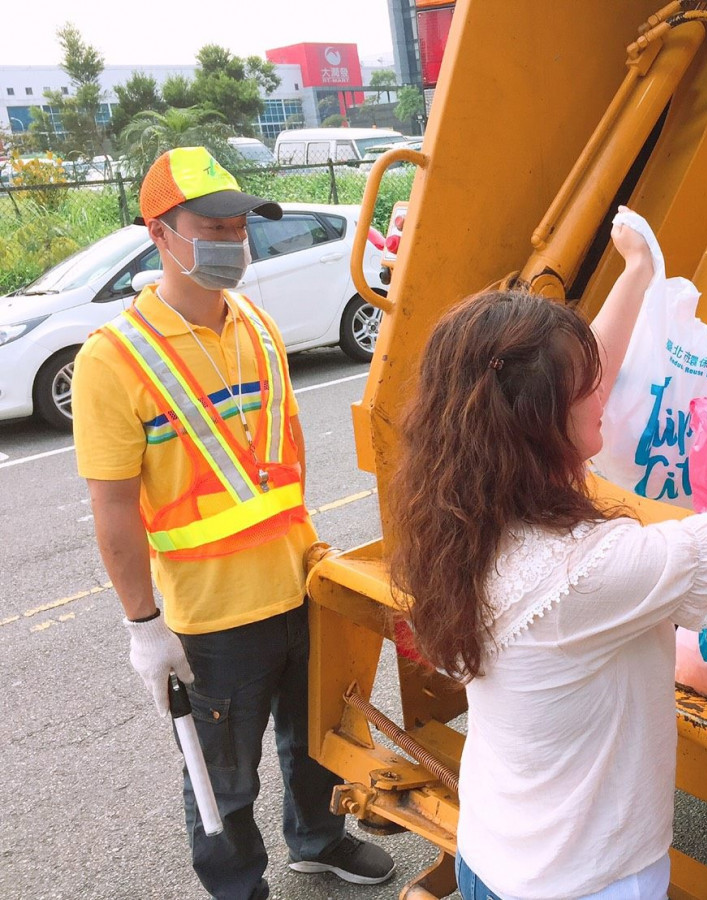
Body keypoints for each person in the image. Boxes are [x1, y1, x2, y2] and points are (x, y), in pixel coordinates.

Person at [387, 211, 707, 899]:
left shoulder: (464, 516)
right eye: (585, 389)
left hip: (492, 858)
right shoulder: (589, 572)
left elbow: (569, 377)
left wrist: (639, 272)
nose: (608, 393)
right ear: (539, 421)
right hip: (585, 883)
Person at [73, 146, 395, 900]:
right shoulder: (113, 359)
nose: (231, 239)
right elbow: (113, 508)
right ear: (160, 233)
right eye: (210, 225)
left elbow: (279, 463)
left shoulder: (254, 323)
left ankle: (317, 841)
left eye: (238, 223)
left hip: (298, 584)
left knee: (315, 740)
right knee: (222, 771)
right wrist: (143, 626)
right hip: (211, 618)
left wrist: (315, 557)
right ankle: (237, 885)